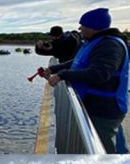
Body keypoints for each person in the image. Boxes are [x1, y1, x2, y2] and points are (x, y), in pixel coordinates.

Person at [45, 8, 128, 154]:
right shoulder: (95, 42)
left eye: (82, 25)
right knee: (116, 144)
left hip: (104, 109)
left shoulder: (109, 45)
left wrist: (62, 75)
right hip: (96, 105)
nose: (80, 28)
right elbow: (77, 62)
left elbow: (99, 74)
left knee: (103, 151)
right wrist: (54, 69)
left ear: (93, 27)